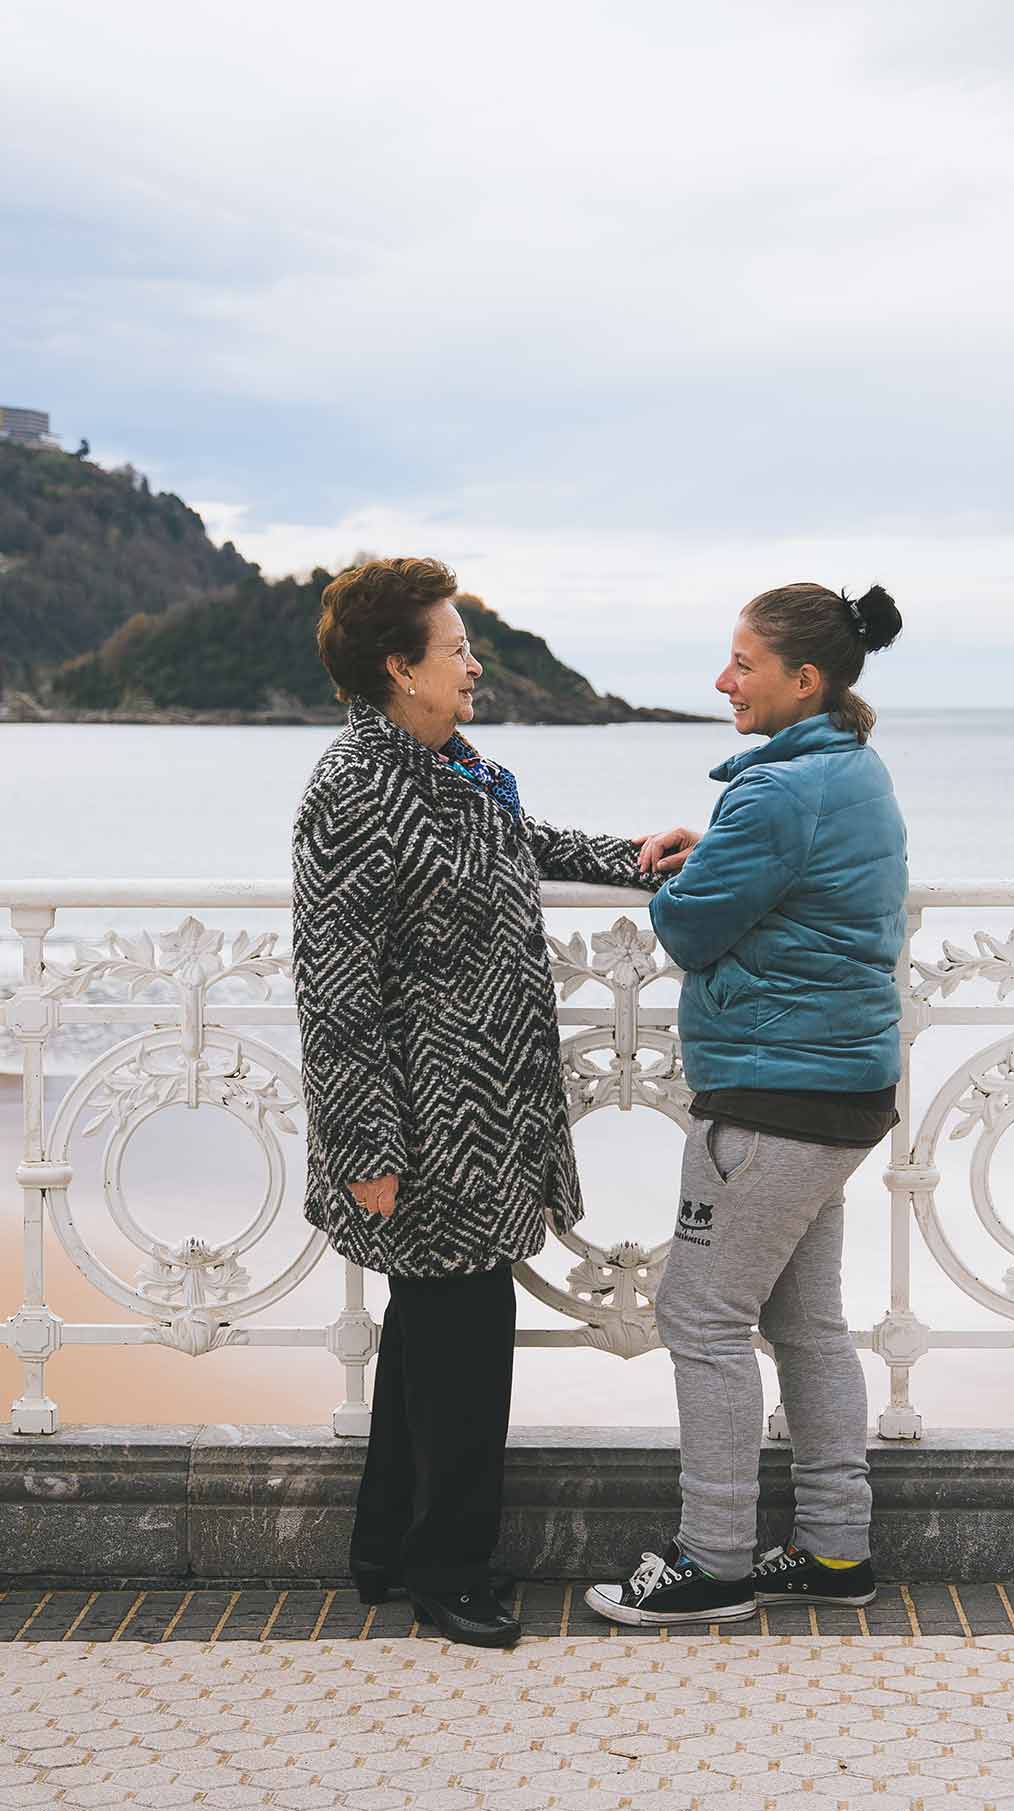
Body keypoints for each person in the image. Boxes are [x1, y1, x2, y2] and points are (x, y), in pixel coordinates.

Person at [292, 557, 668, 1649]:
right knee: (463, 1341)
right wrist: (367, 1137)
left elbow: (530, 844)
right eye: (455, 646)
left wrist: (640, 858)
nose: (474, 661)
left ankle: (384, 1548)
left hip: (487, 1106)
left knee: (428, 1329)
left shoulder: (453, 766)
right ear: (398, 665)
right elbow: (333, 977)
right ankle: (450, 1570)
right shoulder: (354, 785)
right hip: (421, 1115)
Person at [587, 582, 907, 1625]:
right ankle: (831, 1549)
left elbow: (686, 931)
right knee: (806, 1322)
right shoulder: (851, 770)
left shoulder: (775, 793)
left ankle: (714, 1557)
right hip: (842, 1086)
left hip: (772, 1093)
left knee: (701, 1313)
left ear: (801, 679)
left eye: (742, 664)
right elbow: (763, 878)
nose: (723, 681)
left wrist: (684, 874)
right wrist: (713, 856)